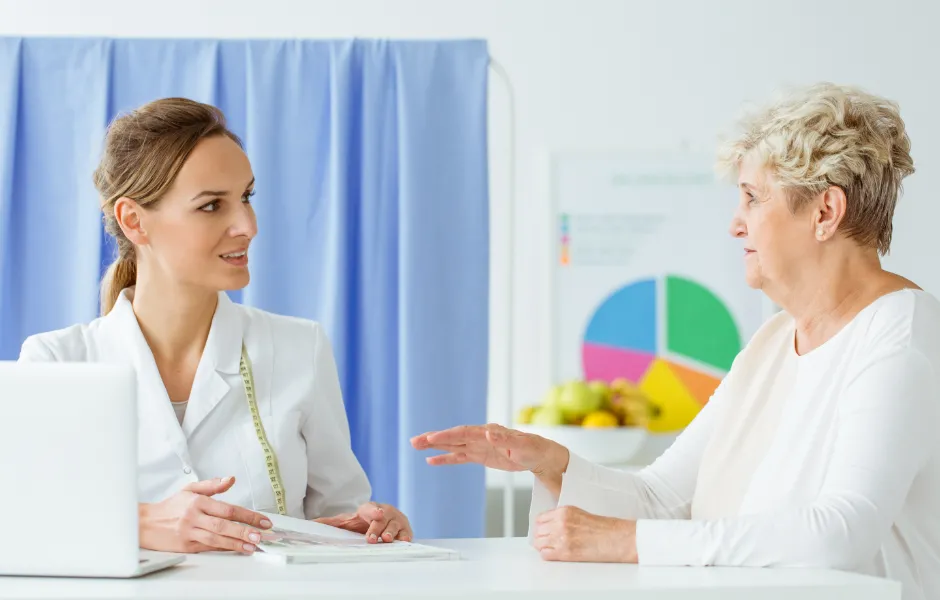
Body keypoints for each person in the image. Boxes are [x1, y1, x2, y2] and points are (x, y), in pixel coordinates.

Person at [412, 83, 940, 600]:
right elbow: (660, 496)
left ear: (825, 212)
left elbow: (840, 533)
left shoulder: (900, 334)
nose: (736, 224)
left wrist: (628, 544)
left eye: (753, 199)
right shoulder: (774, 341)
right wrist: (553, 464)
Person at [18, 98, 412, 555]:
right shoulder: (57, 362)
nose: (247, 225)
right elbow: (24, 519)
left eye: (246, 197)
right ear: (134, 220)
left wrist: (371, 529)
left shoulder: (298, 347)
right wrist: (141, 522)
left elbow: (340, 513)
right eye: (211, 206)